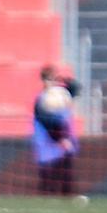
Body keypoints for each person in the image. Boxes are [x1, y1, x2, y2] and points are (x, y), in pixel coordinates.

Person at [31, 65, 78, 195]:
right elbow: (43, 119)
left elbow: (67, 113)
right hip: (47, 138)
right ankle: (46, 195)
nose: (49, 82)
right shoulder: (42, 99)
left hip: (63, 136)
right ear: (43, 80)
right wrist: (61, 137)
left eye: (52, 79)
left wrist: (71, 89)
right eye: (47, 79)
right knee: (46, 170)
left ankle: (67, 195)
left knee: (66, 168)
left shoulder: (61, 96)